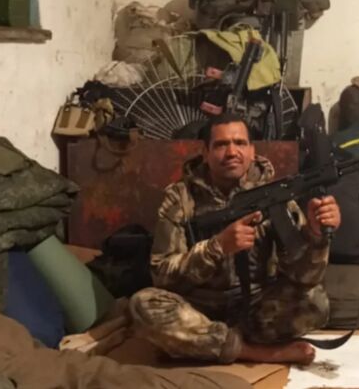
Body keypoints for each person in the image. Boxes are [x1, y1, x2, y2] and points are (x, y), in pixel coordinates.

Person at [130, 113, 341, 365]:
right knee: (143, 304)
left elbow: (305, 277)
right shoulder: (179, 198)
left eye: (240, 143)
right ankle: (256, 353)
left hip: (257, 310)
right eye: (221, 144)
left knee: (316, 302)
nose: (232, 152)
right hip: (197, 309)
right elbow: (161, 274)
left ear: (252, 151)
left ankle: (207, 345)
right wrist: (217, 247)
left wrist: (315, 235)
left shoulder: (276, 194)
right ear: (206, 153)